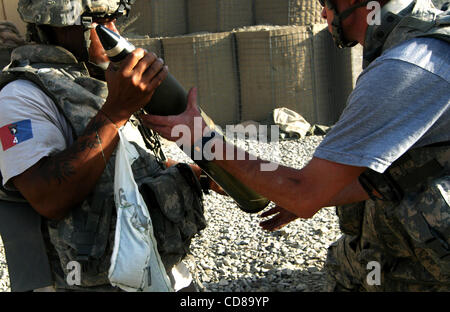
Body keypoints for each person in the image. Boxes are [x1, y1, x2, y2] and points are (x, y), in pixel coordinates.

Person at [142, 0, 450, 291]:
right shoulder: (426, 39)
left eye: (325, 4)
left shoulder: (404, 67)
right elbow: (416, 167)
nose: (322, 16)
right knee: (346, 263)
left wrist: (202, 138)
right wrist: (315, 194)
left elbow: (303, 193)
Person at [0, 0, 221, 292]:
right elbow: (48, 197)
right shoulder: (18, 98)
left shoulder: (95, 82)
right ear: (60, 26)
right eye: (100, 22)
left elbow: (124, 167)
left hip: (164, 275)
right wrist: (116, 111)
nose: (113, 31)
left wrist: (201, 174)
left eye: (114, 20)